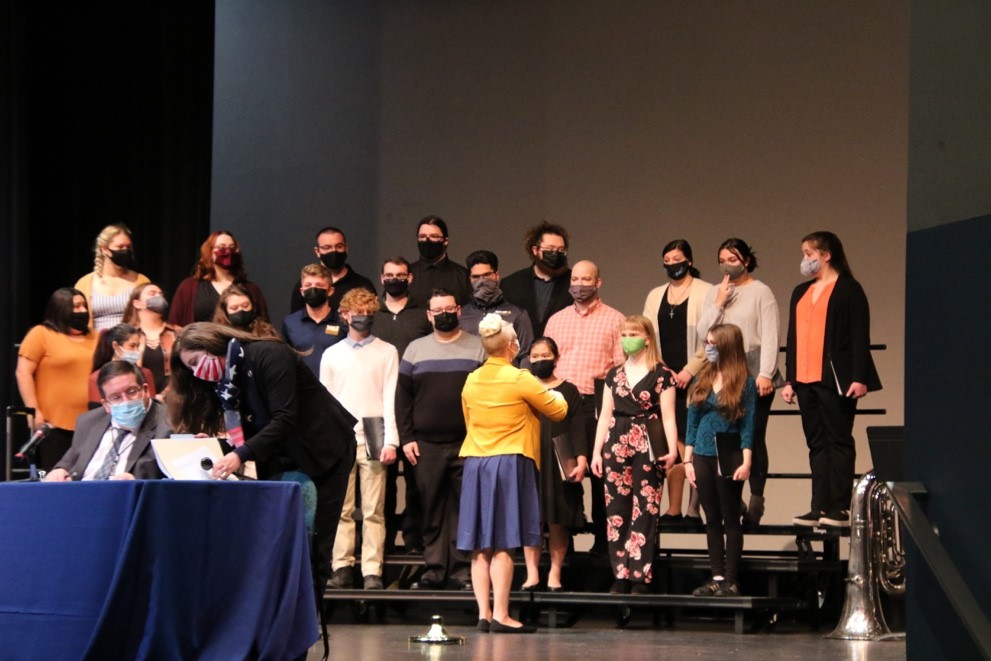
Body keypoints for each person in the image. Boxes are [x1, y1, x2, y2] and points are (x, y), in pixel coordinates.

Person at [168, 322, 357, 584]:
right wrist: (218, 446)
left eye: (195, 361)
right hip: (281, 455)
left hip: (323, 450)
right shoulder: (225, 385)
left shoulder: (268, 354)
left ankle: (308, 616)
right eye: (190, 368)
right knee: (281, 544)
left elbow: (284, 419)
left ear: (210, 344)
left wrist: (238, 455)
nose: (196, 372)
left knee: (314, 545)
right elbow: (248, 431)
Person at [458, 314, 568, 633]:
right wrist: (557, 395)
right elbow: (558, 410)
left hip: (476, 462)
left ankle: (483, 612)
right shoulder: (519, 377)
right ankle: (502, 615)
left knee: (481, 543)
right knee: (504, 542)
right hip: (508, 461)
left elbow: (468, 418)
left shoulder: (472, 379)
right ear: (511, 345)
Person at [782, 231, 881, 528]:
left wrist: (859, 376)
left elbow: (859, 335)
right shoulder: (801, 291)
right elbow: (793, 337)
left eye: (809, 253)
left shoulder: (849, 289)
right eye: (803, 253)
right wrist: (789, 380)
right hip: (804, 378)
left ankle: (839, 507)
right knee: (816, 443)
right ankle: (819, 506)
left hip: (834, 378)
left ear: (826, 255)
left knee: (838, 441)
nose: (805, 260)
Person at [396, 288, 485, 590]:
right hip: (425, 445)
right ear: (429, 315)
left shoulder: (479, 348)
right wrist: (406, 437)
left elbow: (489, 398)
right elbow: (403, 399)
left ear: (459, 311)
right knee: (430, 507)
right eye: (438, 310)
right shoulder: (415, 350)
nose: (444, 314)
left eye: (449, 308)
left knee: (465, 508)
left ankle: (462, 572)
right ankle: (434, 570)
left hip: (468, 443)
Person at [590, 315, 678, 594]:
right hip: (616, 441)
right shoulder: (613, 375)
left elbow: (668, 417)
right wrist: (596, 452)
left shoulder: (662, 374)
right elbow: (604, 416)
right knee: (616, 508)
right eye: (624, 334)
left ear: (647, 338)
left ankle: (641, 574)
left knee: (646, 507)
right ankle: (620, 572)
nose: (628, 339)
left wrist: (672, 449)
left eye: (633, 333)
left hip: (648, 440)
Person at [696, 238, 781, 527]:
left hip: (752, 368)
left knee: (752, 435)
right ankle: (734, 498)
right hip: (721, 368)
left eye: (732, 259)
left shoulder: (761, 292)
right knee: (721, 433)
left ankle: (756, 498)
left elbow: (770, 334)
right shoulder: (714, 291)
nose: (726, 265)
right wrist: (718, 303)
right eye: (721, 259)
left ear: (745, 260)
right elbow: (702, 331)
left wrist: (766, 373)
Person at [544, 259, 625, 554]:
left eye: (586, 279)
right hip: (559, 404)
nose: (579, 285)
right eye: (575, 279)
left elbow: (620, 369)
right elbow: (546, 360)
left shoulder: (615, 319)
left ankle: (603, 545)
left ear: (598, 282)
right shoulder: (557, 319)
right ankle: (566, 544)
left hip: (596, 405)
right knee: (564, 474)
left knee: (599, 473)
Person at [320, 288, 399, 591]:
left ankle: (372, 570)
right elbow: (324, 402)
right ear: (344, 315)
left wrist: (391, 440)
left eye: (368, 312)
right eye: (357, 312)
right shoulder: (332, 354)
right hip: (340, 435)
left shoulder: (386, 351)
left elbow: (390, 396)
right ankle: (342, 566)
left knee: (373, 509)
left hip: (376, 430)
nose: (363, 317)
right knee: (341, 507)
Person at [642, 239, 713, 524]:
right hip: (664, 380)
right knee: (671, 443)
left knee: (693, 442)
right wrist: (661, 369)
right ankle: (673, 509)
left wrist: (689, 370)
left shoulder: (706, 292)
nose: (672, 263)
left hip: (697, 380)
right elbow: (647, 334)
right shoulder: (655, 295)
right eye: (667, 259)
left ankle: (694, 508)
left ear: (690, 261)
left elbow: (712, 339)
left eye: (677, 258)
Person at [684, 323, 757, 598]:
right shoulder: (702, 377)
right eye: (707, 342)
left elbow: (748, 425)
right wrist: (687, 460)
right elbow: (692, 420)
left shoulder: (745, 382)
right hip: (702, 452)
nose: (709, 348)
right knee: (711, 516)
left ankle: (730, 579)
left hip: (728, 453)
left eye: (714, 343)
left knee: (730, 517)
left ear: (727, 346)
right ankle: (715, 576)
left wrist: (746, 461)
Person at [372, 256, 432, 553]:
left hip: (412, 405)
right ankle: (381, 542)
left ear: (410, 278)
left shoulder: (422, 315)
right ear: (381, 278)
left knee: (413, 477)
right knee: (380, 480)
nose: (394, 278)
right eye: (389, 274)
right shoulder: (372, 314)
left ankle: (412, 540)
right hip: (375, 407)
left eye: (400, 274)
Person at [521, 337, 588, 592]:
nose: (540, 361)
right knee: (530, 518)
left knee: (558, 519)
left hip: (560, 459)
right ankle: (531, 573)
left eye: (545, 355)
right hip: (528, 457)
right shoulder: (523, 387)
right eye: (535, 356)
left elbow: (577, 428)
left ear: (556, 358)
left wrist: (581, 459)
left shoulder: (569, 390)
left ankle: (555, 573)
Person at [15, 288, 99, 470]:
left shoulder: (95, 336)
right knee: (56, 476)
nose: (82, 311)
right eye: (76, 306)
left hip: (90, 422)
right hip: (53, 423)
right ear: (61, 309)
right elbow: (23, 372)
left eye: (84, 305)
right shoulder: (41, 334)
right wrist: (34, 410)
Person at [45, 362, 170, 481]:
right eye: (115, 397)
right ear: (106, 404)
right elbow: (69, 462)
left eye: (131, 391)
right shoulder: (88, 422)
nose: (125, 401)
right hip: (83, 495)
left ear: (146, 390)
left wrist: (137, 482)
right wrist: (59, 471)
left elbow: (172, 477)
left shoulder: (170, 423)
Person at [169, 230, 269, 327]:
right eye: (222, 248)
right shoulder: (188, 287)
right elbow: (175, 324)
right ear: (209, 252)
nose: (228, 252)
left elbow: (263, 325)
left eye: (232, 248)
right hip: (202, 343)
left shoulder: (251, 289)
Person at [459, 250, 534, 363]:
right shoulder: (461, 315)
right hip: (472, 379)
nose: (481, 281)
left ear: (497, 275)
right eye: (476, 277)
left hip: (507, 378)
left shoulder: (517, 314)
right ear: (470, 279)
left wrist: (523, 379)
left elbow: (526, 355)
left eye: (486, 275)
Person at [501, 221, 574, 338]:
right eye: (550, 249)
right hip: (521, 352)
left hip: (562, 350)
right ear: (535, 250)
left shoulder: (574, 282)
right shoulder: (511, 284)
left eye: (561, 250)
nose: (556, 254)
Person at [74, 224, 150, 331]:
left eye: (128, 247)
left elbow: (150, 316)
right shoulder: (84, 283)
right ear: (105, 249)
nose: (125, 250)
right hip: (96, 344)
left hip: (131, 342)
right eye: (120, 247)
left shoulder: (141, 281)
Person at [288, 226, 377, 313]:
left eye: (339, 246)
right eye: (327, 247)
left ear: (346, 248)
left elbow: (373, 320)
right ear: (317, 251)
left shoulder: (363, 284)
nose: (334, 251)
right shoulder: (307, 285)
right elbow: (295, 322)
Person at [281, 263, 345, 375]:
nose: (313, 289)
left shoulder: (343, 321)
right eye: (308, 285)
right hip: (302, 389)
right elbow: (284, 361)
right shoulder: (290, 323)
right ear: (302, 291)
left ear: (330, 291)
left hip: (335, 387)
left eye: (319, 285)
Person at [121, 283, 179, 394]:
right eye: (152, 294)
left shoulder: (176, 332)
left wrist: (164, 395)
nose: (159, 297)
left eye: (161, 294)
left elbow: (182, 370)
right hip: (139, 397)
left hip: (172, 398)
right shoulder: (126, 334)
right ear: (137, 304)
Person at [406, 216, 472, 307]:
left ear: (445, 241)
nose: (427, 240)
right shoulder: (406, 275)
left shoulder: (462, 276)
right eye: (422, 236)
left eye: (434, 236)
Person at [87, 323, 157, 406]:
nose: (136, 351)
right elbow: (97, 414)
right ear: (115, 345)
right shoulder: (96, 378)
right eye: (132, 345)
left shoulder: (145, 373)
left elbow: (153, 408)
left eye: (138, 346)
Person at [213, 284, 280, 338]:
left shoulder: (266, 331)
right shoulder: (218, 336)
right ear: (224, 311)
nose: (241, 310)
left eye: (245, 306)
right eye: (234, 308)